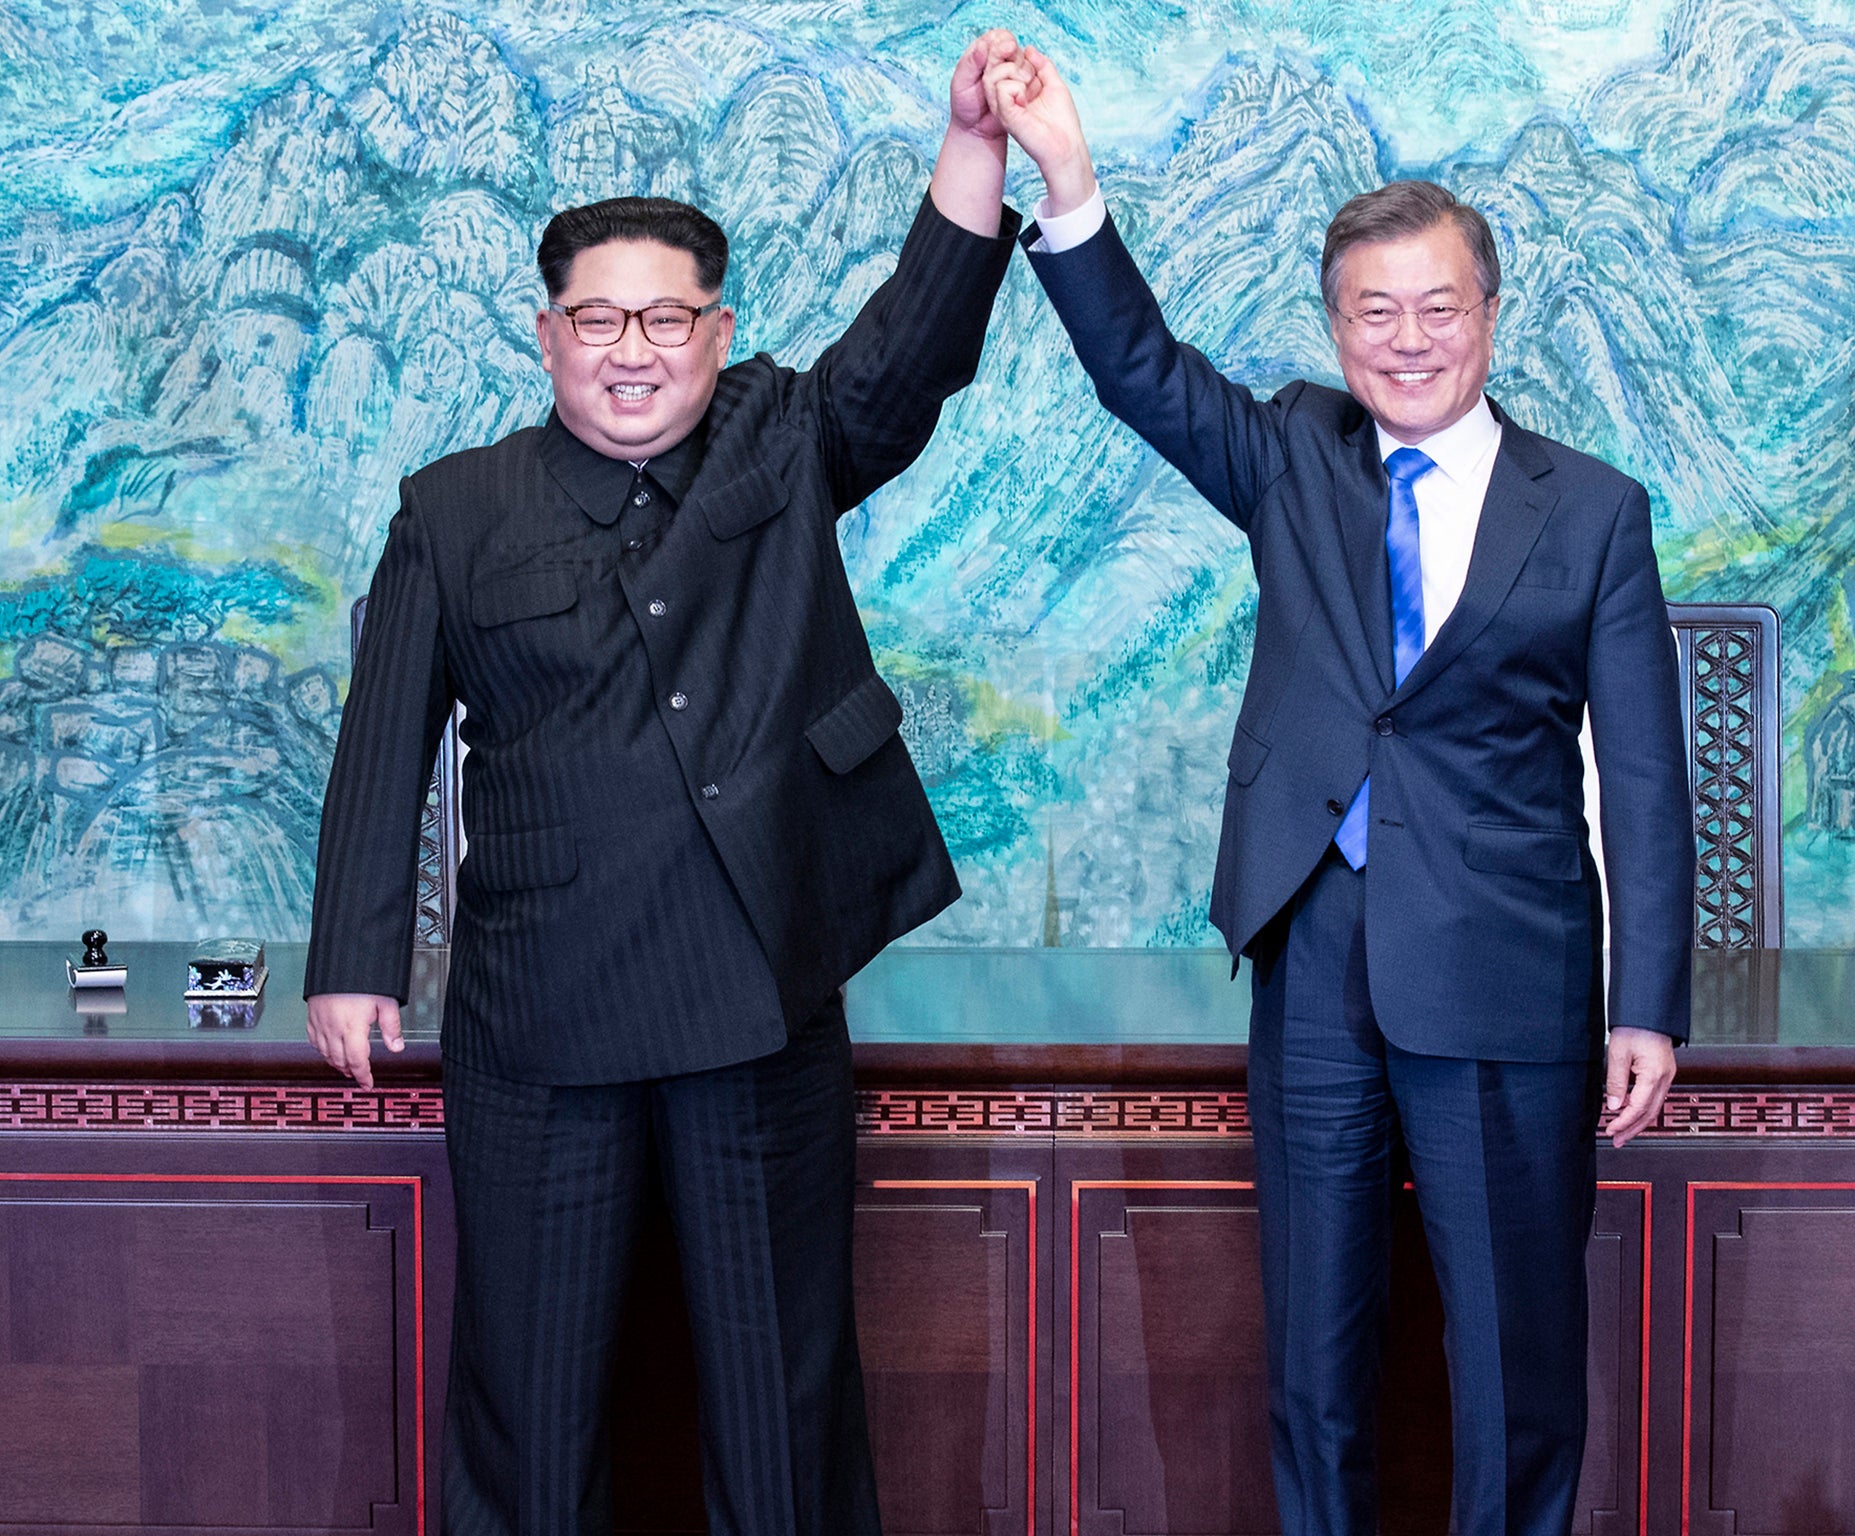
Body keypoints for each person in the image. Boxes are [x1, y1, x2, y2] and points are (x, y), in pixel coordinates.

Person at [302, 34, 1025, 1536]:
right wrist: (354, 965)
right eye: (597, 321)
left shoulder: (785, 437)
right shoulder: (456, 508)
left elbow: (915, 345)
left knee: (783, 1401)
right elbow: (386, 740)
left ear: (719, 328)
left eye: (667, 321)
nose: (632, 352)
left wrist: (974, 148)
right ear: (547, 333)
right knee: (530, 1398)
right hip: (538, 1021)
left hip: (757, 1006)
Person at [984, 46, 1693, 1536]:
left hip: (1507, 969)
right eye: (1376, 312)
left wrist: (1648, 1006)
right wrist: (1064, 177)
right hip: (1315, 959)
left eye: (1440, 306)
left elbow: (1642, 778)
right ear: (1336, 327)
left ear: (1491, 315)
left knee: (1514, 1364)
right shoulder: (1294, 454)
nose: (1410, 337)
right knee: (1314, 1358)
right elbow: (1139, 368)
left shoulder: (1598, 512)